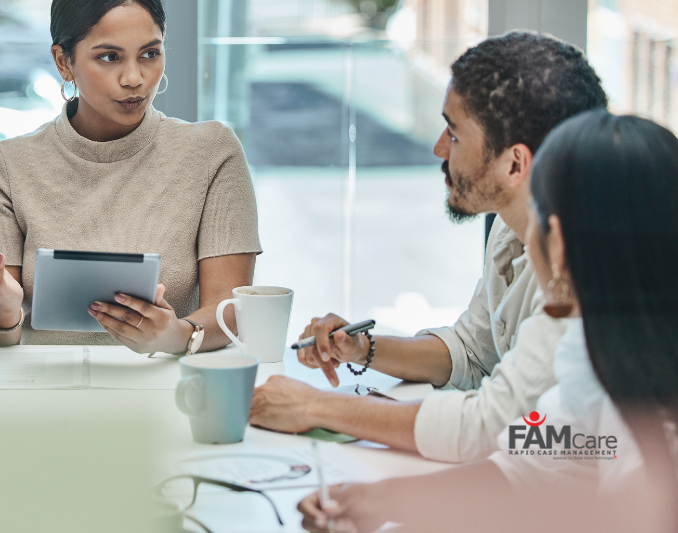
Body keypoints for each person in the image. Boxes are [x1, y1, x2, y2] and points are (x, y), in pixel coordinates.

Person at [296, 110, 678, 533]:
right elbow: (537, 461)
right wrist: (386, 498)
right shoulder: (600, 354)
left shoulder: (648, 438)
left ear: (557, 247)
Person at [249, 31, 609, 462]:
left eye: (454, 135)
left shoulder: (580, 275)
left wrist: (312, 406)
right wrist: (364, 348)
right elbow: (473, 351)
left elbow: (493, 426)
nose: (439, 147)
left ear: (515, 164)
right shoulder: (514, 228)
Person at [0, 0, 262, 353]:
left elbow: (231, 311)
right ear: (63, 62)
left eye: (149, 54)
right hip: (41, 390)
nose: (134, 78)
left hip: (167, 387)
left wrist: (178, 335)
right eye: (109, 57)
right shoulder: (8, 166)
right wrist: (2, 308)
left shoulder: (212, 153)